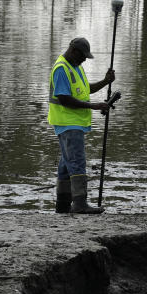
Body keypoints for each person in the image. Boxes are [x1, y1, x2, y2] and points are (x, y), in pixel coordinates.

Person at [47, 37, 115, 214]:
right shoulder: (62, 69)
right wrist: (94, 106)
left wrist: (105, 81)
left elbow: (86, 89)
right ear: (73, 50)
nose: (84, 59)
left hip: (72, 123)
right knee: (77, 162)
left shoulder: (75, 67)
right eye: (83, 56)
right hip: (68, 123)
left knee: (66, 165)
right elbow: (64, 98)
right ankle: (79, 203)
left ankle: (62, 206)